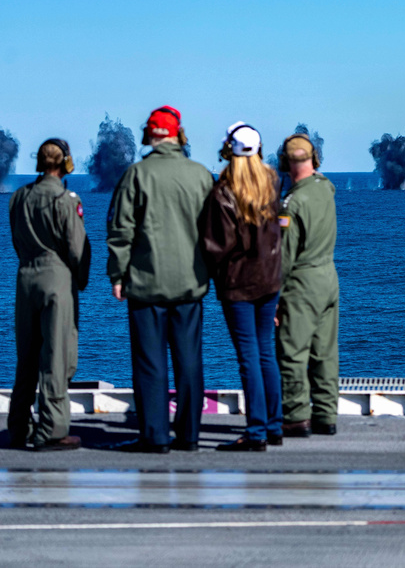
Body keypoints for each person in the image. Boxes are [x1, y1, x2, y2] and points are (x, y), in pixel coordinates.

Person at [107, 106, 213, 453]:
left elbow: (121, 229)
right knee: (189, 361)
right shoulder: (201, 175)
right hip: (190, 284)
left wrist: (117, 273)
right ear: (178, 133)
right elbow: (215, 231)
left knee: (150, 363)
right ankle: (190, 435)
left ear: (152, 135)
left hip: (146, 284)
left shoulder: (137, 175)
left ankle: (154, 436)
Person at [200, 123, 283, 452]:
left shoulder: (224, 190)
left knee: (248, 356)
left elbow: (216, 244)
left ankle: (255, 432)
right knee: (266, 354)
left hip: (238, 284)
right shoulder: (272, 181)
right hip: (269, 280)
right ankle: (274, 426)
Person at [7, 139, 90, 451]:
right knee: (55, 355)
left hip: (25, 277)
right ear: (66, 163)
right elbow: (76, 247)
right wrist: (78, 280)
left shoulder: (19, 197)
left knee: (26, 355)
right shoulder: (67, 199)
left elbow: (16, 239)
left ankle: (18, 427)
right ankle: (52, 430)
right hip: (57, 278)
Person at [276, 133, 339, 437]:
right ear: (314, 160)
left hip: (302, 282)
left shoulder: (292, 203)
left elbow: (285, 256)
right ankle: (326, 415)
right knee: (325, 351)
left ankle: (296, 415)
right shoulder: (325, 189)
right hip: (329, 277)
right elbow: (322, 179)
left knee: (292, 350)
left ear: (285, 163)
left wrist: (274, 296)